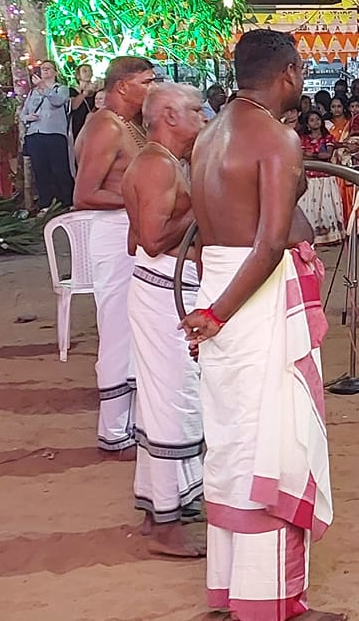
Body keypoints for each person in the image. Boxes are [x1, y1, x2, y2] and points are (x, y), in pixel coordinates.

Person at [183, 30, 341, 621]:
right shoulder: (275, 137)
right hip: (251, 300)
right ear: (291, 74)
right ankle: (272, 603)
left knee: (232, 441)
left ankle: (231, 591)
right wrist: (220, 312)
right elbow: (272, 241)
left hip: (222, 289)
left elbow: (210, 226)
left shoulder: (210, 133)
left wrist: (212, 309)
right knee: (273, 441)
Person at [119, 82, 210, 559]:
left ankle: (168, 508)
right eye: (196, 110)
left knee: (171, 400)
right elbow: (152, 240)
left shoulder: (166, 162)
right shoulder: (156, 164)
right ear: (170, 117)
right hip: (162, 293)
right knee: (174, 403)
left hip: (163, 291)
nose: (205, 116)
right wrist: (201, 204)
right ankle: (167, 522)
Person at [73, 56, 157, 454]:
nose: (152, 89)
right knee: (118, 325)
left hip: (131, 229)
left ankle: (135, 421)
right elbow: (84, 194)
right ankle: (113, 427)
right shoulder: (105, 125)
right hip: (112, 233)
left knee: (138, 322)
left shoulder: (130, 124)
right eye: (147, 82)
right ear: (123, 86)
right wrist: (138, 201)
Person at [21, 60, 76, 209]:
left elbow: (58, 102)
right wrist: (27, 117)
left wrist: (44, 88)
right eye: (42, 69)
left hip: (54, 134)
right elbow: (23, 113)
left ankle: (67, 202)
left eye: (48, 68)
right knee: (40, 170)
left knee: (59, 169)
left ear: (55, 72)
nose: (44, 71)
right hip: (35, 134)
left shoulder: (62, 89)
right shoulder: (33, 92)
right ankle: (45, 203)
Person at [293, 110, 344, 245]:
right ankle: (312, 237)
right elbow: (300, 155)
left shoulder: (328, 138)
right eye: (312, 120)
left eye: (317, 119)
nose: (315, 122)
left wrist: (310, 154)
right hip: (309, 178)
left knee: (325, 207)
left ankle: (330, 237)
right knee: (309, 208)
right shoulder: (302, 138)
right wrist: (316, 155)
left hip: (325, 177)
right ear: (308, 125)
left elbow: (327, 155)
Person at [68, 63, 96, 137]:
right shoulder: (71, 91)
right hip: (77, 126)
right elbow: (73, 106)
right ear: (78, 75)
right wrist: (85, 93)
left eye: (90, 71)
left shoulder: (96, 92)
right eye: (84, 71)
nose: (88, 73)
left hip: (93, 125)